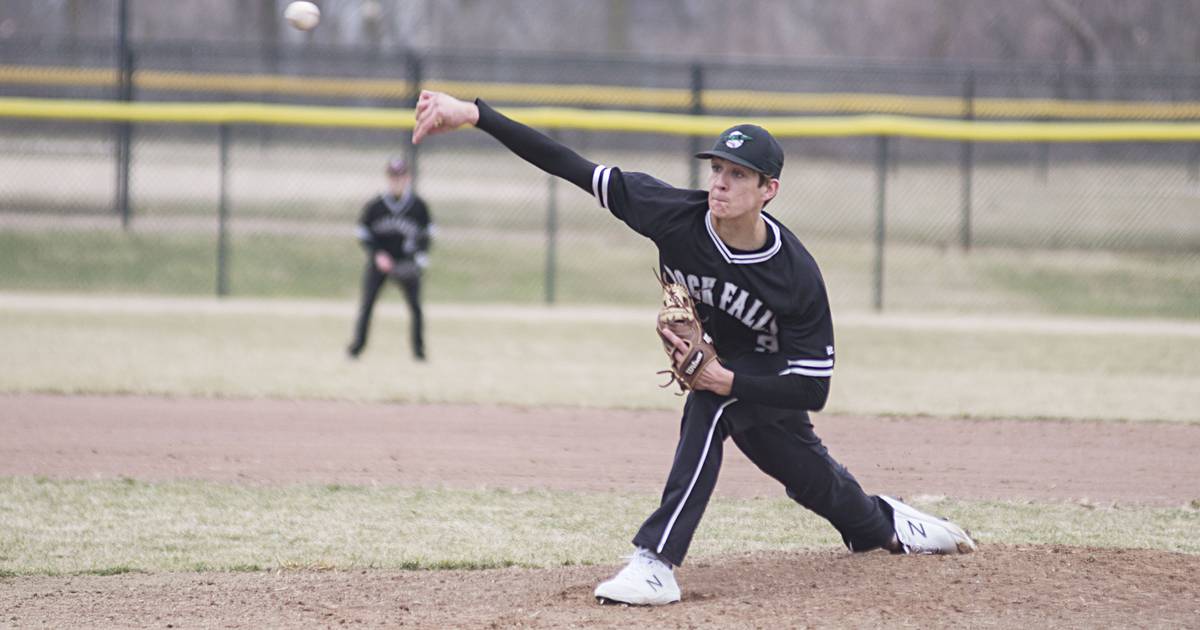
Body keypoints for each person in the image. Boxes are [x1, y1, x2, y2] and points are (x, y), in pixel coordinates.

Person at [412, 91, 976, 606]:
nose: (721, 183)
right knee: (815, 486)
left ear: (768, 190)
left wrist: (728, 382)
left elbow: (813, 386)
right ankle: (887, 523)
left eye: (738, 175)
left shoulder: (795, 274)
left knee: (711, 407)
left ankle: (655, 561)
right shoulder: (672, 216)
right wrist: (477, 115)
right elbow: (569, 165)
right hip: (734, 370)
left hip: (772, 376)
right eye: (718, 170)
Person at [347, 157, 433, 362]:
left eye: (401, 176)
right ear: (388, 178)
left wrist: (419, 257)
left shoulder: (418, 207)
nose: (397, 181)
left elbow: (427, 235)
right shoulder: (376, 206)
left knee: (416, 308)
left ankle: (419, 353)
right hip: (380, 263)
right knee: (367, 305)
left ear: (408, 178)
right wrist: (376, 254)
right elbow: (363, 233)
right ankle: (356, 349)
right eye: (393, 177)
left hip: (406, 263)